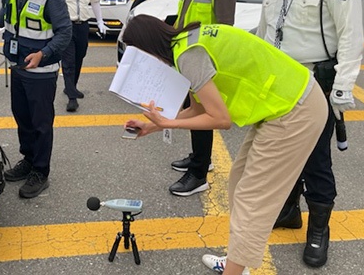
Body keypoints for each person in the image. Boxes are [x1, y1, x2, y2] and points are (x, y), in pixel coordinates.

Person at [205, 0, 364, 269]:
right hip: (275, 86)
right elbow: (263, 37)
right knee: (273, 157)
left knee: (316, 160)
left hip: (314, 86)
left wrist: (342, 90)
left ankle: (319, 230)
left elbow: (351, 37)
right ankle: (288, 211)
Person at [122, 14, 327, 275]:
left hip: (296, 109)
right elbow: (198, 109)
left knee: (251, 200)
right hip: (285, 105)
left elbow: (220, 119)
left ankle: (235, 270)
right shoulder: (184, 44)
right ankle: (236, 264)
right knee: (238, 181)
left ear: (147, 48)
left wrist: (168, 123)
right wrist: (153, 126)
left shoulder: (188, 56)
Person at [0, 0, 72, 199]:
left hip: (42, 71)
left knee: (41, 123)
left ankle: (40, 171)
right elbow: (7, 12)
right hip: (17, 65)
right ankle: (28, 159)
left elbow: (65, 33)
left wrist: (44, 53)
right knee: (22, 116)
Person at [168, 0, 236, 197]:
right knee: (192, 113)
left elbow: (225, 33)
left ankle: (198, 174)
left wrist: (210, 70)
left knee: (202, 117)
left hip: (206, 66)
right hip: (189, 61)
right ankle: (200, 157)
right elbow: (185, 17)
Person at [52, 0, 105, 113]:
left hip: (83, 26)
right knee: (68, 61)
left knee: (79, 57)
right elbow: (51, 1)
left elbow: (95, 1)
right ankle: (72, 98)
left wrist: (100, 22)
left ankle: (70, 87)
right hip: (66, 26)